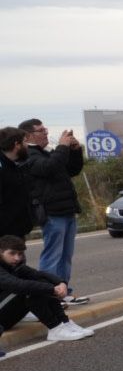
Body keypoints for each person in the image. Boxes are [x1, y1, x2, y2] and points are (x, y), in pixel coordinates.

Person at [18, 118, 87, 303]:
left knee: (65, 256)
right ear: (28, 135)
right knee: (52, 256)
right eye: (41, 131)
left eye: (46, 129)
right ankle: (50, 293)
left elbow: (72, 169)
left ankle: (64, 292)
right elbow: (49, 168)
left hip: (66, 210)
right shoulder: (29, 155)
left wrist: (74, 150)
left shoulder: (47, 153)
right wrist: (62, 147)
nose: (46, 133)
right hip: (52, 212)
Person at [0, 234, 93, 344]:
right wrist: (52, 289)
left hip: (6, 314)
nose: (17, 258)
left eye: (20, 254)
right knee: (31, 289)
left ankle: (64, 323)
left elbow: (39, 274)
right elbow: (16, 285)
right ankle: (55, 328)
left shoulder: (15, 265)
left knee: (42, 283)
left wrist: (61, 283)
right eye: (12, 253)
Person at [0, 127, 35, 239]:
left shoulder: (15, 166)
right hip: (6, 234)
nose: (27, 146)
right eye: (25, 141)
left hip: (17, 231)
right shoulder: (2, 168)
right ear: (17, 144)